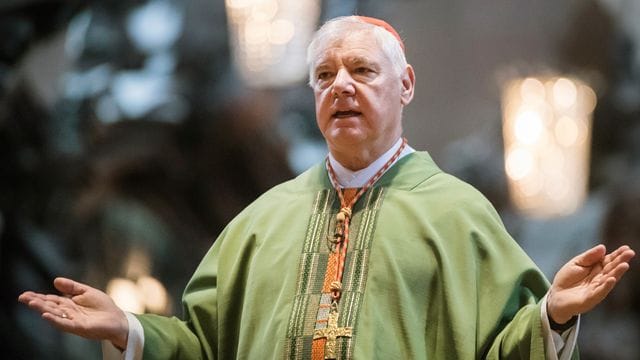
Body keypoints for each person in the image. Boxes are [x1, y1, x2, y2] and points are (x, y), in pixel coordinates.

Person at [19, 16, 635, 360]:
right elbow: (200, 347)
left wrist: (552, 315)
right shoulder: (261, 221)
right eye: (324, 75)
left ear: (406, 86)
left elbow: (507, 348)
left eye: (363, 70)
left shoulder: (459, 214)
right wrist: (127, 329)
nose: (341, 85)